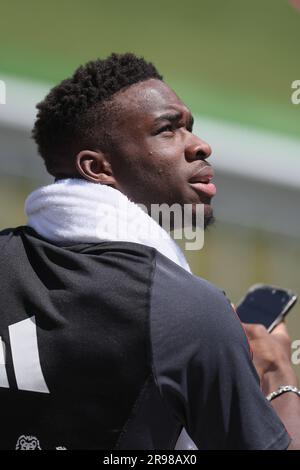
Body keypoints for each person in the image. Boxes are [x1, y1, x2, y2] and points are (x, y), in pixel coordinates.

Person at [0, 53, 299, 450]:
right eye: (167, 130)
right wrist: (278, 375)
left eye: (190, 127)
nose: (200, 145)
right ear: (97, 167)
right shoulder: (189, 312)